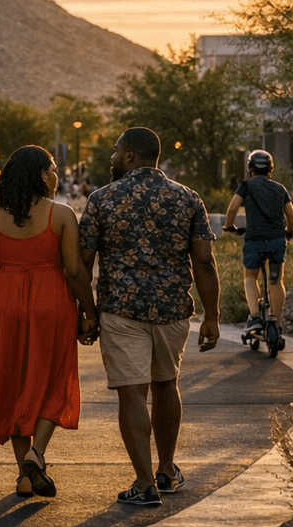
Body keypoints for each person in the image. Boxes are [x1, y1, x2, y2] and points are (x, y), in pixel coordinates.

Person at [79, 127, 220, 507]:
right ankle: (167, 471)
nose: (111, 157)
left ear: (129, 157)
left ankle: (144, 484)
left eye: (115, 151)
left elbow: (83, 263)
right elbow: (203, 261)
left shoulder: (102, 199)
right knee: (166, 384)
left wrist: (85, 313)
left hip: (121, 311)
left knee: (132, 393)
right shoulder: (187, 198)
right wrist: (212, 316)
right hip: (173, 310)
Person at [0, 146, 98, 498]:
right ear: (39, 174)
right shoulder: (62, 215)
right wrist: (89, 311)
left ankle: (24, 474)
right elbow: (74, 270)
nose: (55, 175)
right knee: (55, 376)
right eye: (51, 169)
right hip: (51, 300)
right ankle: (36, 456)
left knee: (13, 382)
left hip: (5, 303)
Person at [224, 150, 293, 338]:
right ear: (270, 169)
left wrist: (229, 226)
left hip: (254, 239)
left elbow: (233, 208)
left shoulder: (246, 186)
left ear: (250, 168)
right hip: (276, 239)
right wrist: (289, 231)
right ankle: (276, 322)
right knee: (276, 280)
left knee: (250, 276)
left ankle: (255, 317)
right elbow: (292, 215)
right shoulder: (280, 188)